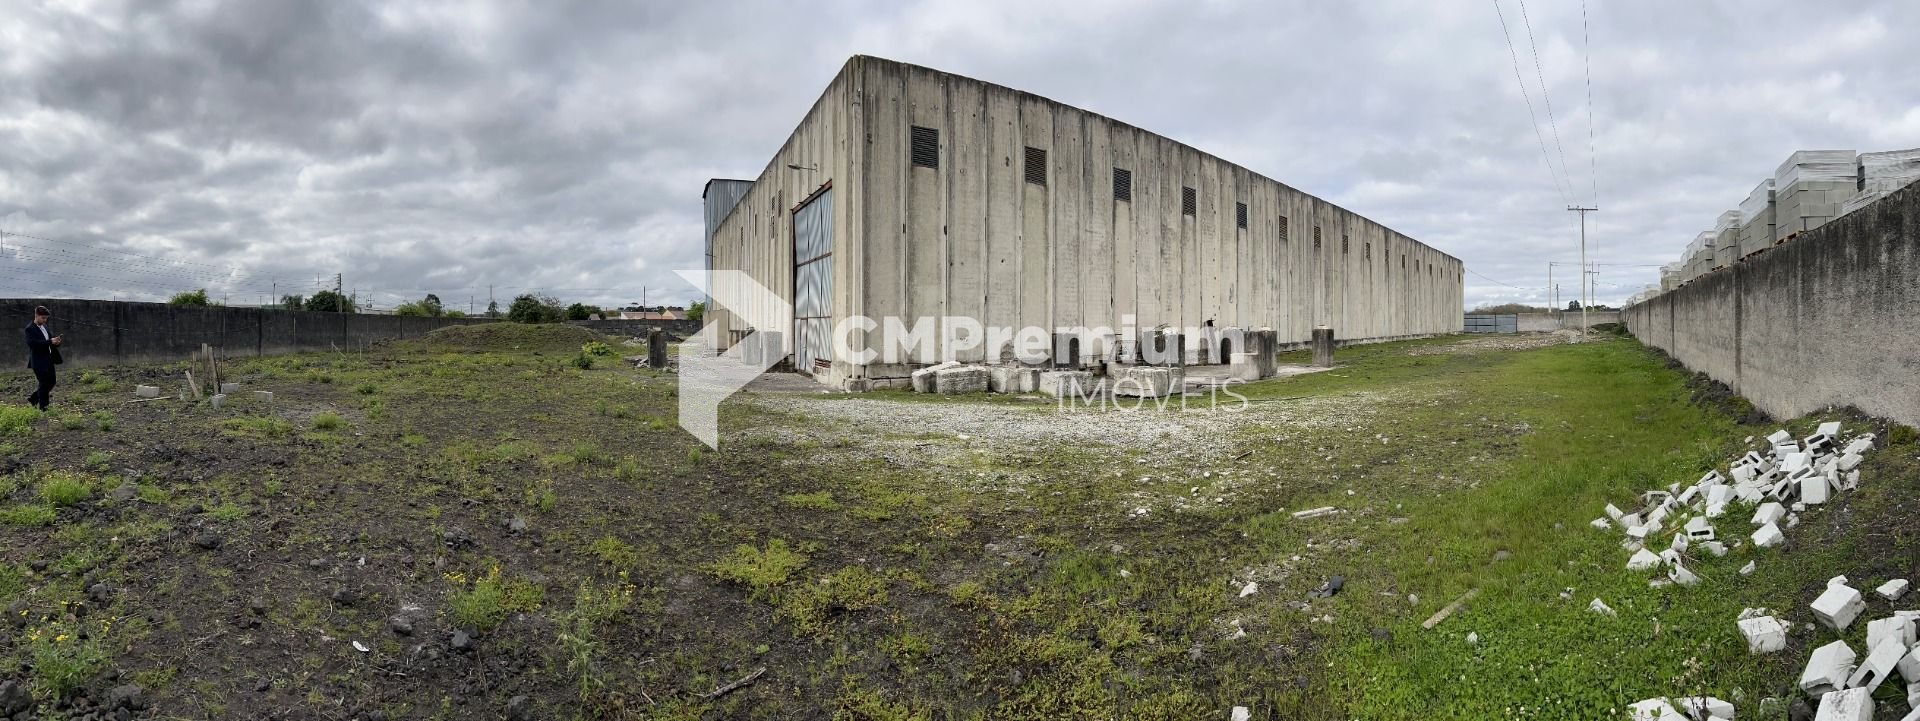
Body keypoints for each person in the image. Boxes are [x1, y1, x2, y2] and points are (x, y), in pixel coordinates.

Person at [24, 306, 62, 411]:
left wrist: (56, 342)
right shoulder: (30, 329)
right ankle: (43, 407)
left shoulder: (45, 327)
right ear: (36, 315)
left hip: (49, 359)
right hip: (38, 361)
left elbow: (48, 341)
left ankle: (34, 398)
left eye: (46, 318)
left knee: (52, 382)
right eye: (43, 318)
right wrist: (50, 341)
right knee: (44, 383)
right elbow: (33, 344)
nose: (45, 320)